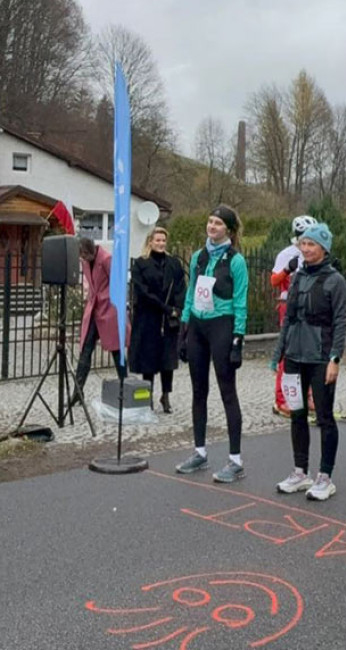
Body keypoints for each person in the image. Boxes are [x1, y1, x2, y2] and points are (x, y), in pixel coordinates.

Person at [272, 224, 346, 501]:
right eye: (303, 244)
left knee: (325, 417)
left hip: (320, 357)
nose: (305, 249)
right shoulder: (296, 277)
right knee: (297, 413)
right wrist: (278, 354)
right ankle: (300, 471)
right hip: (294, 355)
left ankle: (325, 476)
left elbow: (341, 322)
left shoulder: (335, 280)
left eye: (311, 245)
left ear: (324, 248)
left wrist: (335, 358)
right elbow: (288, 320)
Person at [175, 205, 249, 483]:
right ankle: (199, 452)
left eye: (218, 223)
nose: (212, 227)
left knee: (227, 391)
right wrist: (184, 330)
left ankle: (235, 460)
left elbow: (241, 300)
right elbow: (190, 293)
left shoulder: (236, 261)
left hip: (222, 324)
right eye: (209, 222)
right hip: (197, 324)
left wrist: (237, 339)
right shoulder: (198, 256)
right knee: (198, 390)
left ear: (228, 230)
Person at [129, 227, 186, 413]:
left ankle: (166, 395)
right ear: (150, 242)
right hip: (148, 318)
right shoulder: (140, 263)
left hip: (169, 319)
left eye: (163, 240)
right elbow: (142, 291)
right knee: (149, 360)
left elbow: (180, 287)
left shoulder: (174, 263)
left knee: (167, 360)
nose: (161, 243)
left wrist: (176, 309)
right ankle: (148, 395)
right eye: (158, 240)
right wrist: (164, 307)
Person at [270, 215, 318, 417]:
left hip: (310, 306)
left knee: (309, 349)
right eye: (302, 238)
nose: (305, 244)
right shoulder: (286, 254)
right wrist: (287, 269)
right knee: (287, 352)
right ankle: (281, 399)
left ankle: (308, 394)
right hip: (288, 305)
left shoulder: (316, 254)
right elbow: (274, 281)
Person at [71, 233, 126, 406]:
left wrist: (116, 306)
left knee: (117, 351)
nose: (82, 258)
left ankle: (125, 388)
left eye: (83, 255)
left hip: (108, 309)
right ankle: (77, 393)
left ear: (89, 251)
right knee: (85, 351)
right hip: (93, 308)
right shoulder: (86, 261)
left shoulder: (107, 259)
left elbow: (118, 283)